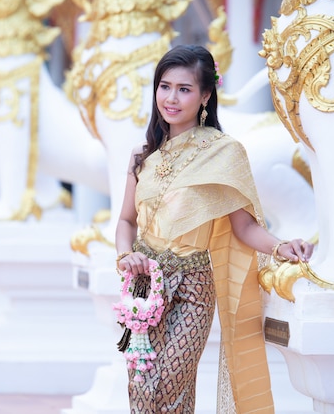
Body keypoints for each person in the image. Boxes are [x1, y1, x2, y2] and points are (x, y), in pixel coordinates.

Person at [114, 44, 314, 413]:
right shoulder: (143, 157)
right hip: (143, 284)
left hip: (193, 288)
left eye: (184, 89)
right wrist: (126, 256)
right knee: (141, 384)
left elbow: (244, 227)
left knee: (171, 383)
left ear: (206, 95)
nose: (171, 98)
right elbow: (126, 221)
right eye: (164, 86)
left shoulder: (225, 153)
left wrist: (279, 246)